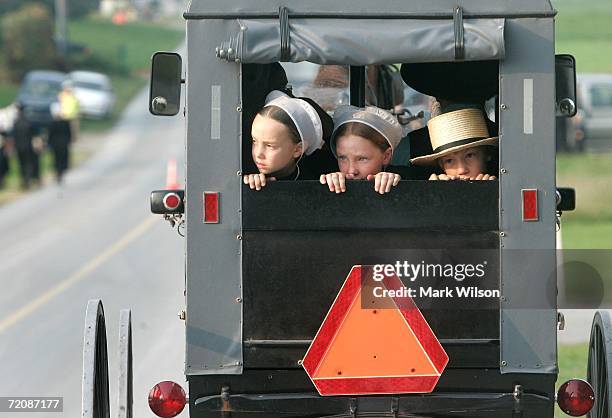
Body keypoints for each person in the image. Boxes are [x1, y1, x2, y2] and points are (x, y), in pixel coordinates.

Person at [243, 91, 330, 190]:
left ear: (297, 149)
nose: (258, 154)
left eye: (269, 146)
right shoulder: (239, 171)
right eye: (254, 141)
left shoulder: (315, 182)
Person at [320, 106, 403, 194]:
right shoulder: (330, 179)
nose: (351, 171)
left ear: (386, 156)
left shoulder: (405, 176)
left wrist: (393, 183)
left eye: (362, 159)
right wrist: (330, 185)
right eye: (342, 158)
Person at [410, 107, 498, 181]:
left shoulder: (508, 188)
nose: (462, 170)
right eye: (449, 161)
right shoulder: (436, 189)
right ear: (442, 165)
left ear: (487, 154)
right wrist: (434, 193)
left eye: (470, 155)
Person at [49, 81, 79, 183]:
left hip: (68, 120)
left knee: (59, 158)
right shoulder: (62, 97)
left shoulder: (72, 98)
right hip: (66, 126)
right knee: (61, 157)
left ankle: (59, 172)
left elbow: (50, 134)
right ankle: (60, 172)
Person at [9, 103, 38, 189]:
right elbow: (33, 134)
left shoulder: (16, 122)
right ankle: (27, 179)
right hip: (28, 146)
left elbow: (13, 135)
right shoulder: (28, 121)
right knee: (28, 163)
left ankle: (23, 180)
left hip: (19, 146)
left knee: (21, 163)